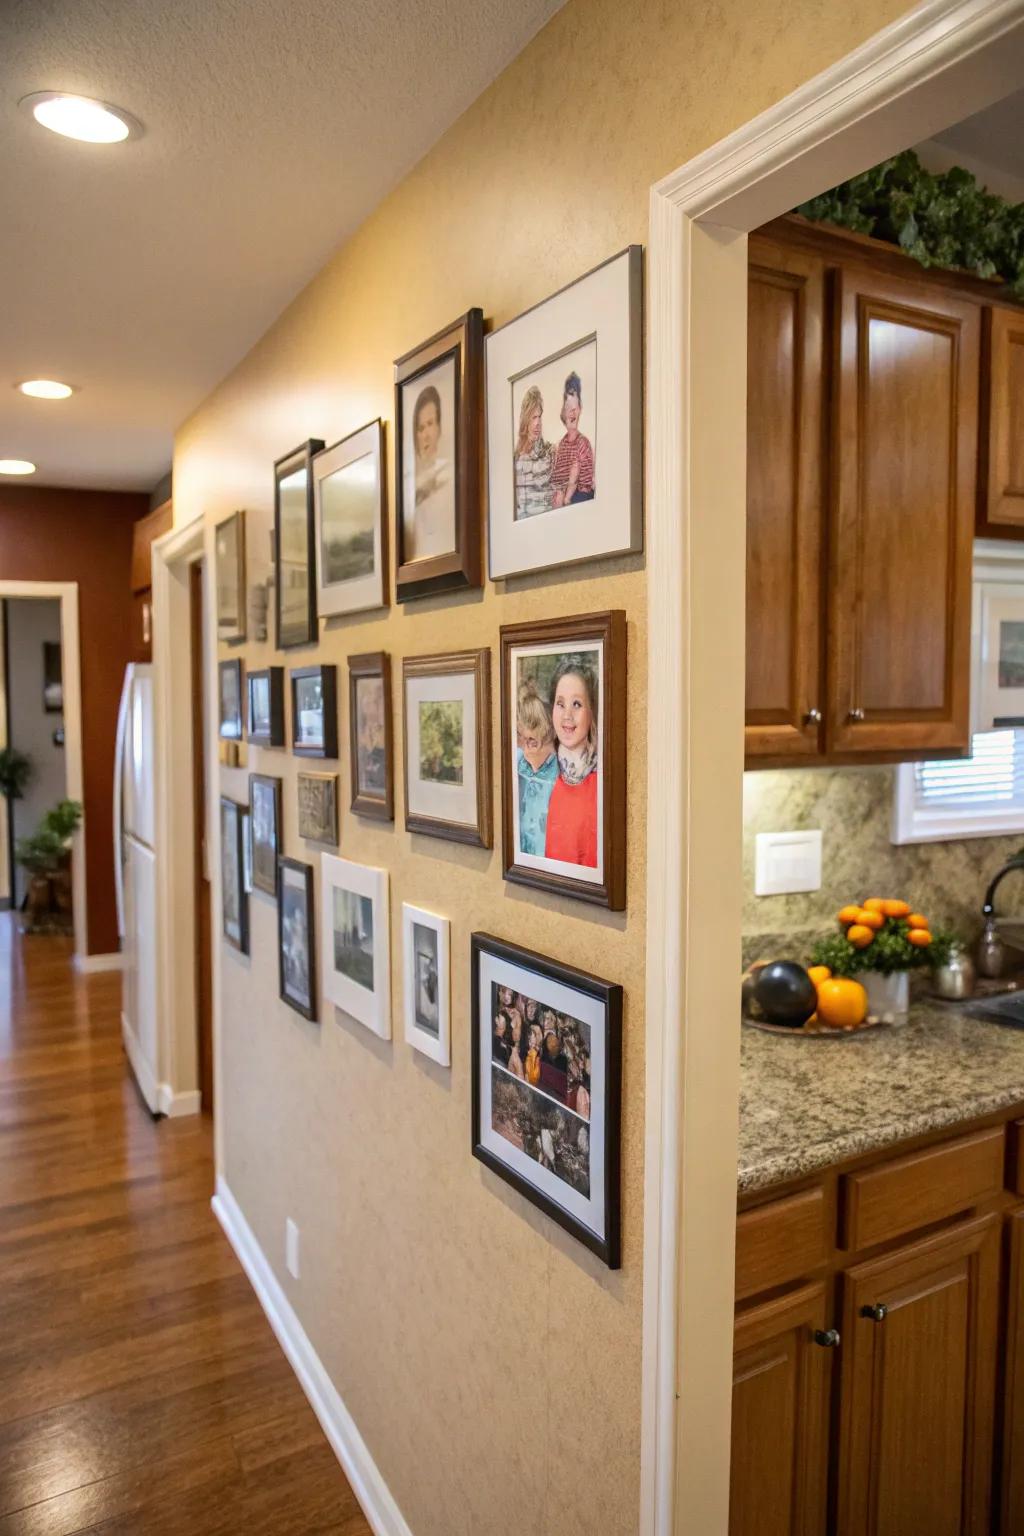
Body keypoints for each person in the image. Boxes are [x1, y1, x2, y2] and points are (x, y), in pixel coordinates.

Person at [544, 654, 599, 869]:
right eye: (560, 704)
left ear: (592, 711)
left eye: (576, 704)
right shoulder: (541, 773)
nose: (567, 715)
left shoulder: (601, 782)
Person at [408, 383, 454, 559]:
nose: (426, 435)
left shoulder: (450, 475)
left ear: (439, 427)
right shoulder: (407, 486)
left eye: (430, 424)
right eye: (420, 428)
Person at [516, 679, 558, 856]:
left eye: (532, 742)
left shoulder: (560, 774)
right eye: (521, 738)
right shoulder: (518, 763)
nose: (525, 747)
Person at [550, 372, 595, 508]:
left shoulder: (583, 443)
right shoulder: (561, 445)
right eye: (568, 409)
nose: (572, 413)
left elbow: (574, 479)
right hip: (564, 496)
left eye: (575, 409)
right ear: (563, 413)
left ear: (580, 409)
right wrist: (558, 494)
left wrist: (565, 499)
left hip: (580, 497)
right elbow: (556, 478)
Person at [513, 385, 553, 519]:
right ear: (525, 419)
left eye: (539, 417)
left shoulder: (547, 453)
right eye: (534, 417)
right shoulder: (516, 457)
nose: (538, 423)